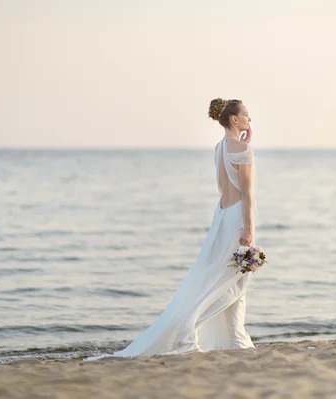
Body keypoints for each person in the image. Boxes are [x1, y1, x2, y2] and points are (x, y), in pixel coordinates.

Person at [86, 98, 257, 360]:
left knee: (223, 277)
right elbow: (246, 192)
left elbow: (225, 187)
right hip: (236, 219)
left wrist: (244, 142)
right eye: (245, 114)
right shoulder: (243, 149)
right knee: (231, 281)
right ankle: (188, 330)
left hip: (221, 217)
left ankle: (235, 338)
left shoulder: (219, 147)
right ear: (234, 120)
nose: (249, 118)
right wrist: (249, 229)